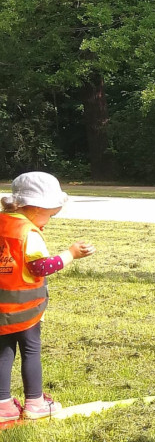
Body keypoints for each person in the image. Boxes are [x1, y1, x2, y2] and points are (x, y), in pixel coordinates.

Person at [0, 172, 95, 423]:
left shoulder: (3, 223)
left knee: (3, 353)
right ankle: (35, 402)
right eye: (50, 214)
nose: (48, 221)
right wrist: (71, 254)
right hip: (26, 310)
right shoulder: (27, 232)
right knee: (30, 351)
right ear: (34, 207)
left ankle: (3, 406)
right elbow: (40, 267)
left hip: (1, 309)